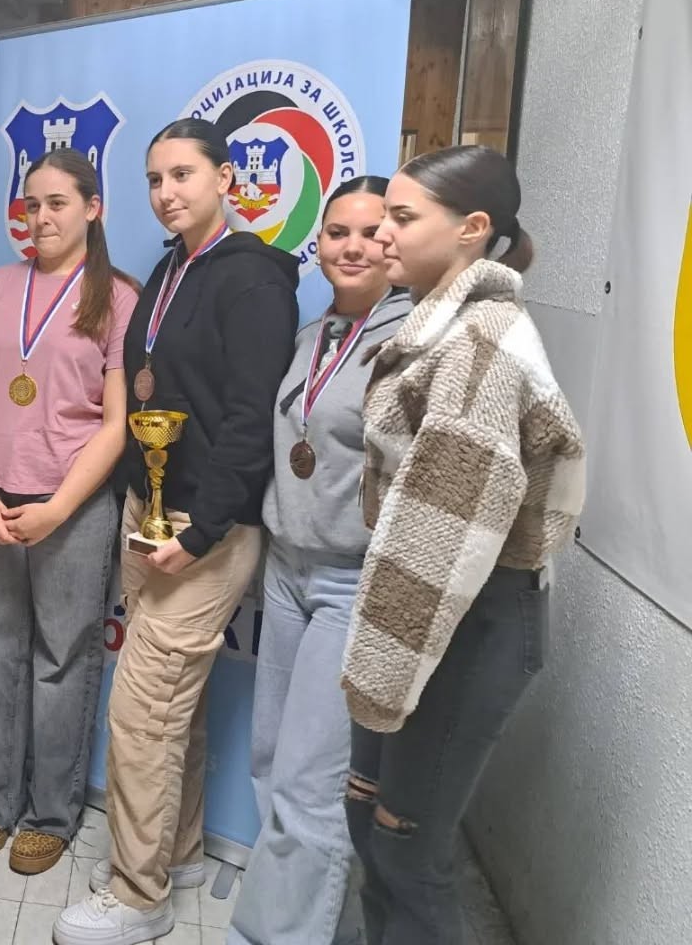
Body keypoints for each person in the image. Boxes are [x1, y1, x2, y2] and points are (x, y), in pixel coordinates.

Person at [55, 118, 299, 945]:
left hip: (205, 527)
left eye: (183, 175)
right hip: (149, 509)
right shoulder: (169, 268)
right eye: (155, 179)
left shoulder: (253, 280)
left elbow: (250, 422)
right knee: (174, 712)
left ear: (226, 178)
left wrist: (199, 534)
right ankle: (178, 852)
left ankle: (138, 895)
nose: (166, 193)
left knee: (142, 714)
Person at [340, 146, 584, 945]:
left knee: (408, 852)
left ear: (472, 229)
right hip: (422, 612)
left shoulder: (483, 339)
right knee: (368, 821)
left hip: (465, 616)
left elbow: (440, 534)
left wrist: (380, 675)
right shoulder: (440, 321)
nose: (380, 233)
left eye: (401, 218)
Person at [228, 177, 412, 945]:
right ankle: (288, 918)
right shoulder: (315, 335)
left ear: (397, 245)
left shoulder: (414, 343)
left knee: (311, 781)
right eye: (338, 232)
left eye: (372, 233)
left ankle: (282, 934)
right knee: (272, 757)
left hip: (352, 580)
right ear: (319, 243)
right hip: (287, 568)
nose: (353, 246)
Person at [0, 149, 137, 875]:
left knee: (62, 660)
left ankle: (51, 814)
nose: (42, 217)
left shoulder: (117, 297)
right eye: (32, 204)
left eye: (58, 203)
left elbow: (117, 423)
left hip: (72, 508)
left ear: (92, 208)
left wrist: (57, 508)